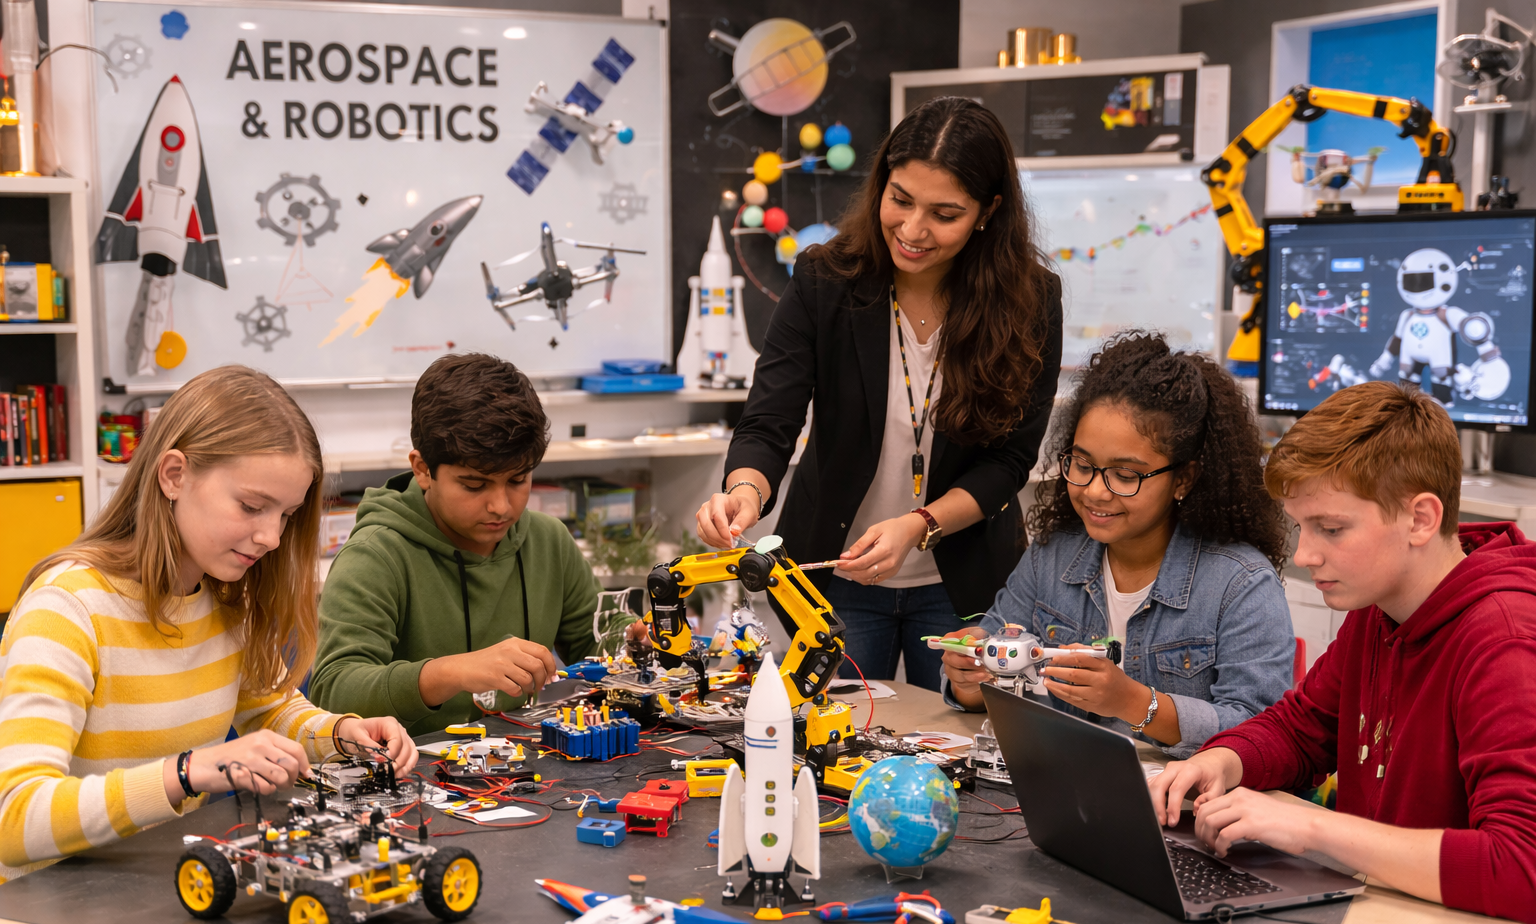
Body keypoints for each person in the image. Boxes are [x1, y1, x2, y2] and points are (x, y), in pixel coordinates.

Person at [1148, 382, 1536, 924]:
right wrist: (1221, 761)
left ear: (1421, 518)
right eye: (1300, 527)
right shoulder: (1381, 605)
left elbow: (1520, 870)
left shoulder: (1505, 643)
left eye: (1331, 528)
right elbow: (1304, 727)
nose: (1304, 555)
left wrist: (1314, 827)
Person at [697, 96, 1063, 692]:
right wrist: (743, 490)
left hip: (964, 582)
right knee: (835, 739)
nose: (913, 230)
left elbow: (1009, 461)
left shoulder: (1031, 299)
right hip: (834, 576)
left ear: (987, 212)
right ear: (880, 185)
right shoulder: (825, 278)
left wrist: (919, 524)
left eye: (944, 214)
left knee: (961, 753)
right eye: (901, 200)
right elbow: (769, 420)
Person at [0, 366, 415, 882]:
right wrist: (188, 771)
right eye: (251, 506)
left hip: (160, 886)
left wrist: (342, 732)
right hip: (52, 910)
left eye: (286, 515)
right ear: (174, 475)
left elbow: (269, 710)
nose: (272, 538)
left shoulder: (224, 598)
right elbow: (15, 820)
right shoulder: (66, 608)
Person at [943, 332, 1295, 758]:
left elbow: (1263, 735)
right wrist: (970, 677)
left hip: (1184, 813)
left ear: (1183, 478)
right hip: (1060, 790)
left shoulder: (1240, 584)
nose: (1094, 492)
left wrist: (1133, 702)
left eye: (1125, 476)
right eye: (1084, 465)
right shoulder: (1052, 556)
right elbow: (990, 656)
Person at [310, 353, 642, 736]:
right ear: (422, 470)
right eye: (474, 485)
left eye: (518, 480)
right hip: (411, 777)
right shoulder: (375, 556)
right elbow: (334, 692)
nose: (501, 506)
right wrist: (451, 672)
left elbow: (594, 639)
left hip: (523, 772)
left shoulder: (549, 541)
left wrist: (632, 637)